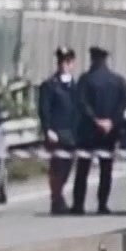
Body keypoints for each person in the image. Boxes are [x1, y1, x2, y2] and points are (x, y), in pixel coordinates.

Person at [72, 45, 126, 215]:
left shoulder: (85, 80)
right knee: (106, 169)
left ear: (93, 59)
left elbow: (81, 104)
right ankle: (102, 204)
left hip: (88, 131)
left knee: (83, 168)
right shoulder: (118, 81)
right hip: (109, 133)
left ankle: (78, 205)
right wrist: (111, 122)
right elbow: (124, 104)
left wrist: (95, 120)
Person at [38, 47, 80, 215]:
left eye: (68, 62)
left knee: (67, 167)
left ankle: (58, 196)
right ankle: (57, 200)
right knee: (57, 168)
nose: (64, 65)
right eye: (61, 61)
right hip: (56, 133)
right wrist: (48, 129)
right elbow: (44, 110)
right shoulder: (49, 85)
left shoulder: (76, 87)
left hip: (72, 134)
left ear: (72, 64)